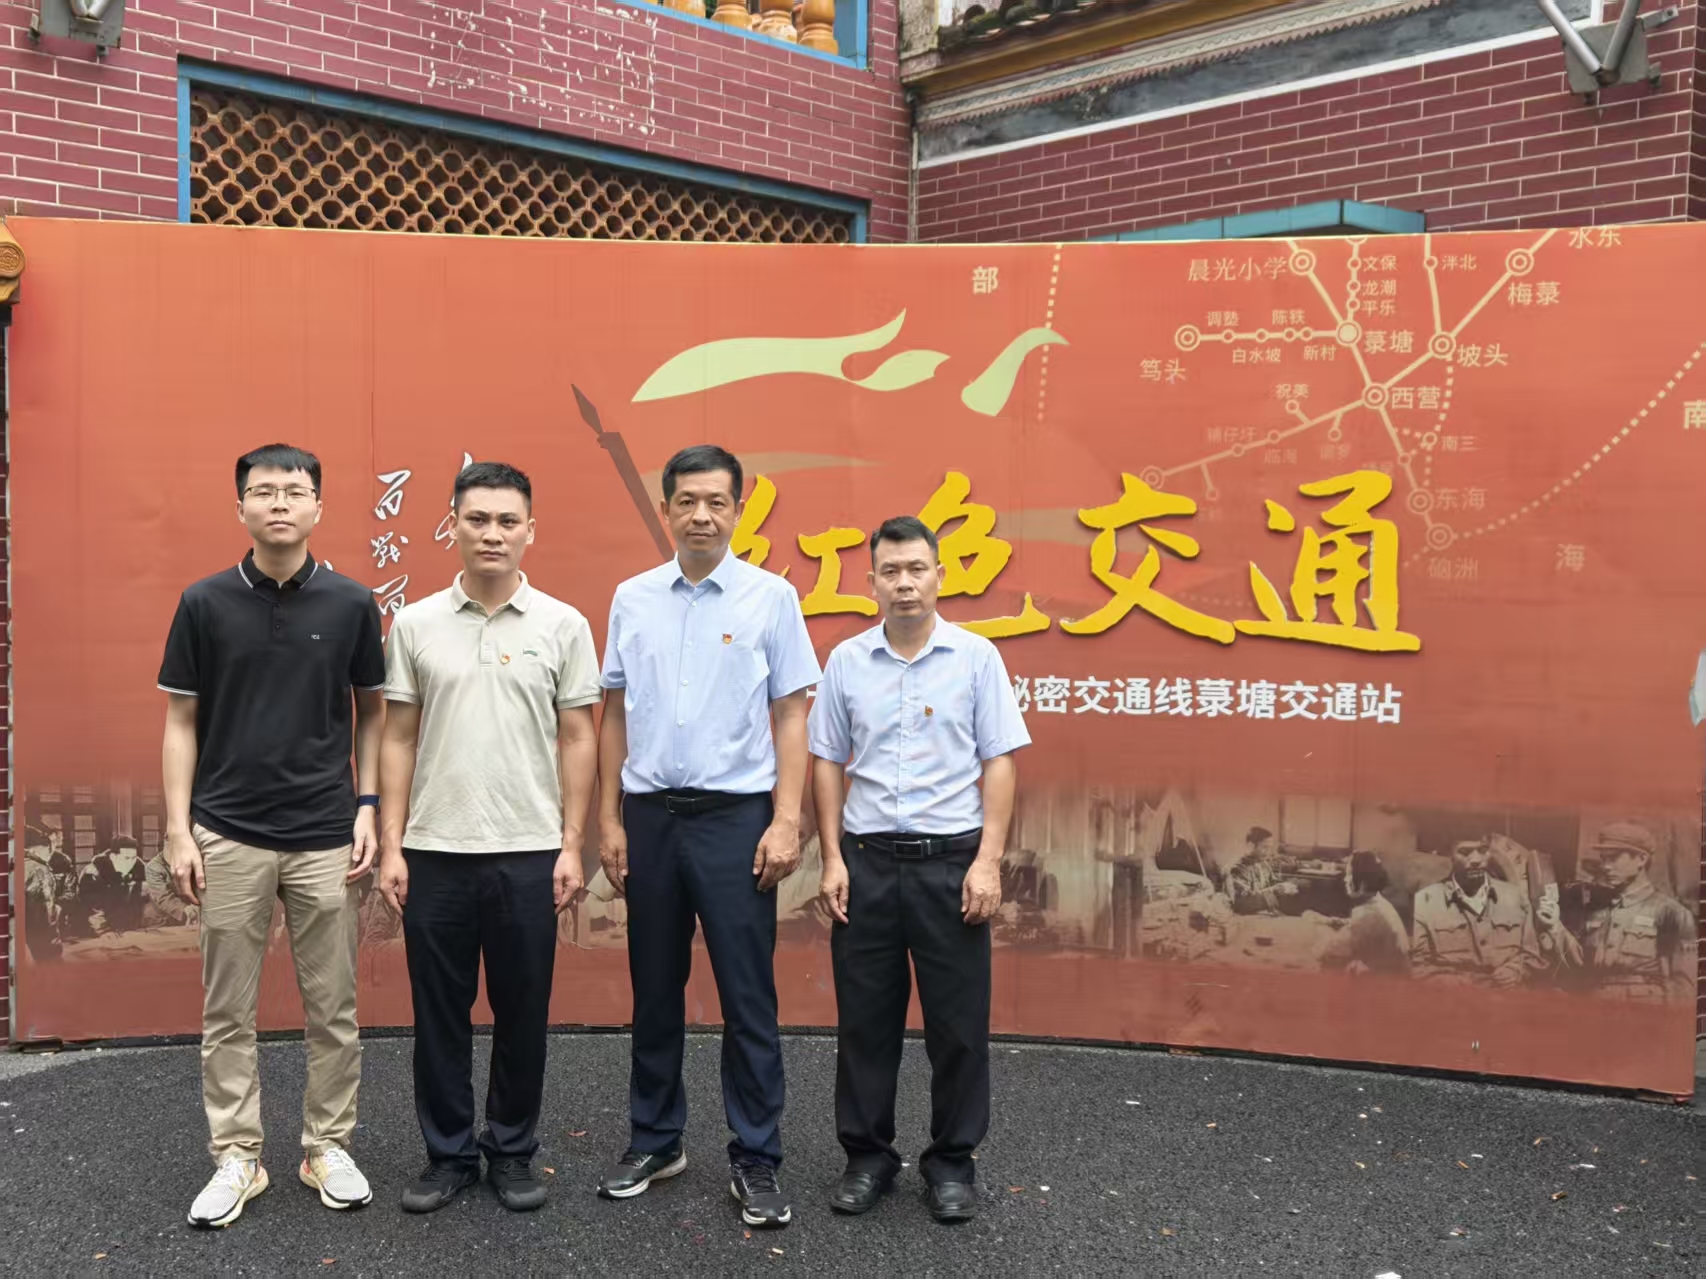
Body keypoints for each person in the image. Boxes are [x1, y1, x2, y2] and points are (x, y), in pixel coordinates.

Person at [158, 443, 385, 1228]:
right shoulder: (204, 601)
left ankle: (327, 1145)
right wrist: (180, 827)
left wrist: (367, 805)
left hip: (325, 831)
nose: (279, 502)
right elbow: (180, 719)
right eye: (263, 491)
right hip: (228, 830)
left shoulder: (351, 603)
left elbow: (373, 712)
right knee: (228, 1008)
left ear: (319, 505)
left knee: (334, 1007)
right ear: (241, 507)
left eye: (294, 490)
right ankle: (237, 1155)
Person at [595, 444, 819, 1230]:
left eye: (716, 501)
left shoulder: (771, 598)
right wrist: (608, 818)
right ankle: (656, 1139)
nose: (701, 515)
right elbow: (613, 711)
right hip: (651, 817)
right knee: (654, 986)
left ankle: (756, 1154)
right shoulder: (632, 598)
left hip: (736, 820)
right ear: (665, 509)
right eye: (686, 501)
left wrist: (786, 817)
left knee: (745, 994)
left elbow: (791, 713)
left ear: (738, 508)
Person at [376, 461, 600, 1214]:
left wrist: (571, 843)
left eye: (508, 520)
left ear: (531, 529)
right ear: (453, 526)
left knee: (522, 1011)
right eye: (478, 519)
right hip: (436, 850)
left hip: (528, 850)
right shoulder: (415, 624)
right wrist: (393, 843)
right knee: (438, 1014)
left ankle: (511, 1150)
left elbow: (578, 737)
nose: (493, 534)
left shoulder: (563, 625)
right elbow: (397, 736)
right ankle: (447, 1156)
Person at [809, 516, 1031, 1224]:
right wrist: (832, 857)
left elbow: (1000, 760)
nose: (904, 583)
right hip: (867, 864)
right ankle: (867, 1157)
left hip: (950, 865)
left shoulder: (976, 658)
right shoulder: (847, 661)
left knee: (958, 1028)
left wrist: (988, 861)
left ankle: (952, 1163)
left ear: (940, 574)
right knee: (864, 1024)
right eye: (890, 571)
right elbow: (826, 760)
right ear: (871, 581)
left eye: (916, 569)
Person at [1575, 822, 1695, 1002]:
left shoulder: (1671, 913)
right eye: (1603, 858)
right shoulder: (1594, 911)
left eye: (1614, 858)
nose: (1605, 866)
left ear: (1641, 859)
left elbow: (1685, 987)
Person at [1409, 837, 1543, 987]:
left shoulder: (1515, 897)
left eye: (1483, 850)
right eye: (1464, 852)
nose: (1476, 860)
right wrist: (1462, 983)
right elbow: (1418, 967)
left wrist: (1516, 971)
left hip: (1509, 996)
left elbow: (1532, 957)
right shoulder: (1425, 901)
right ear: (1450, 855)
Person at [1319, 851, 1409, 977]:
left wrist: (1321, 931)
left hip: (1387, 980)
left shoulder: (1367, 915)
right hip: (1393, 972)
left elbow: (1330, 953)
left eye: (1349, 875)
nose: (1345, 879)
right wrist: (1330, 921)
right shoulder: (1380, 904)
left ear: (1362, 882)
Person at [1225, 827, 1299, 915]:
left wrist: (1289, 884)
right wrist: (1275, 890)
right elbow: (1243, 903)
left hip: (1267, 912)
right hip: (1250, 916)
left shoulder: (1263, 864)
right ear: (1251, 845)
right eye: (1265, 847)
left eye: (1270, 848)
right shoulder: (1238, 869)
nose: (1268, 852)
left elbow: (1272, 882)